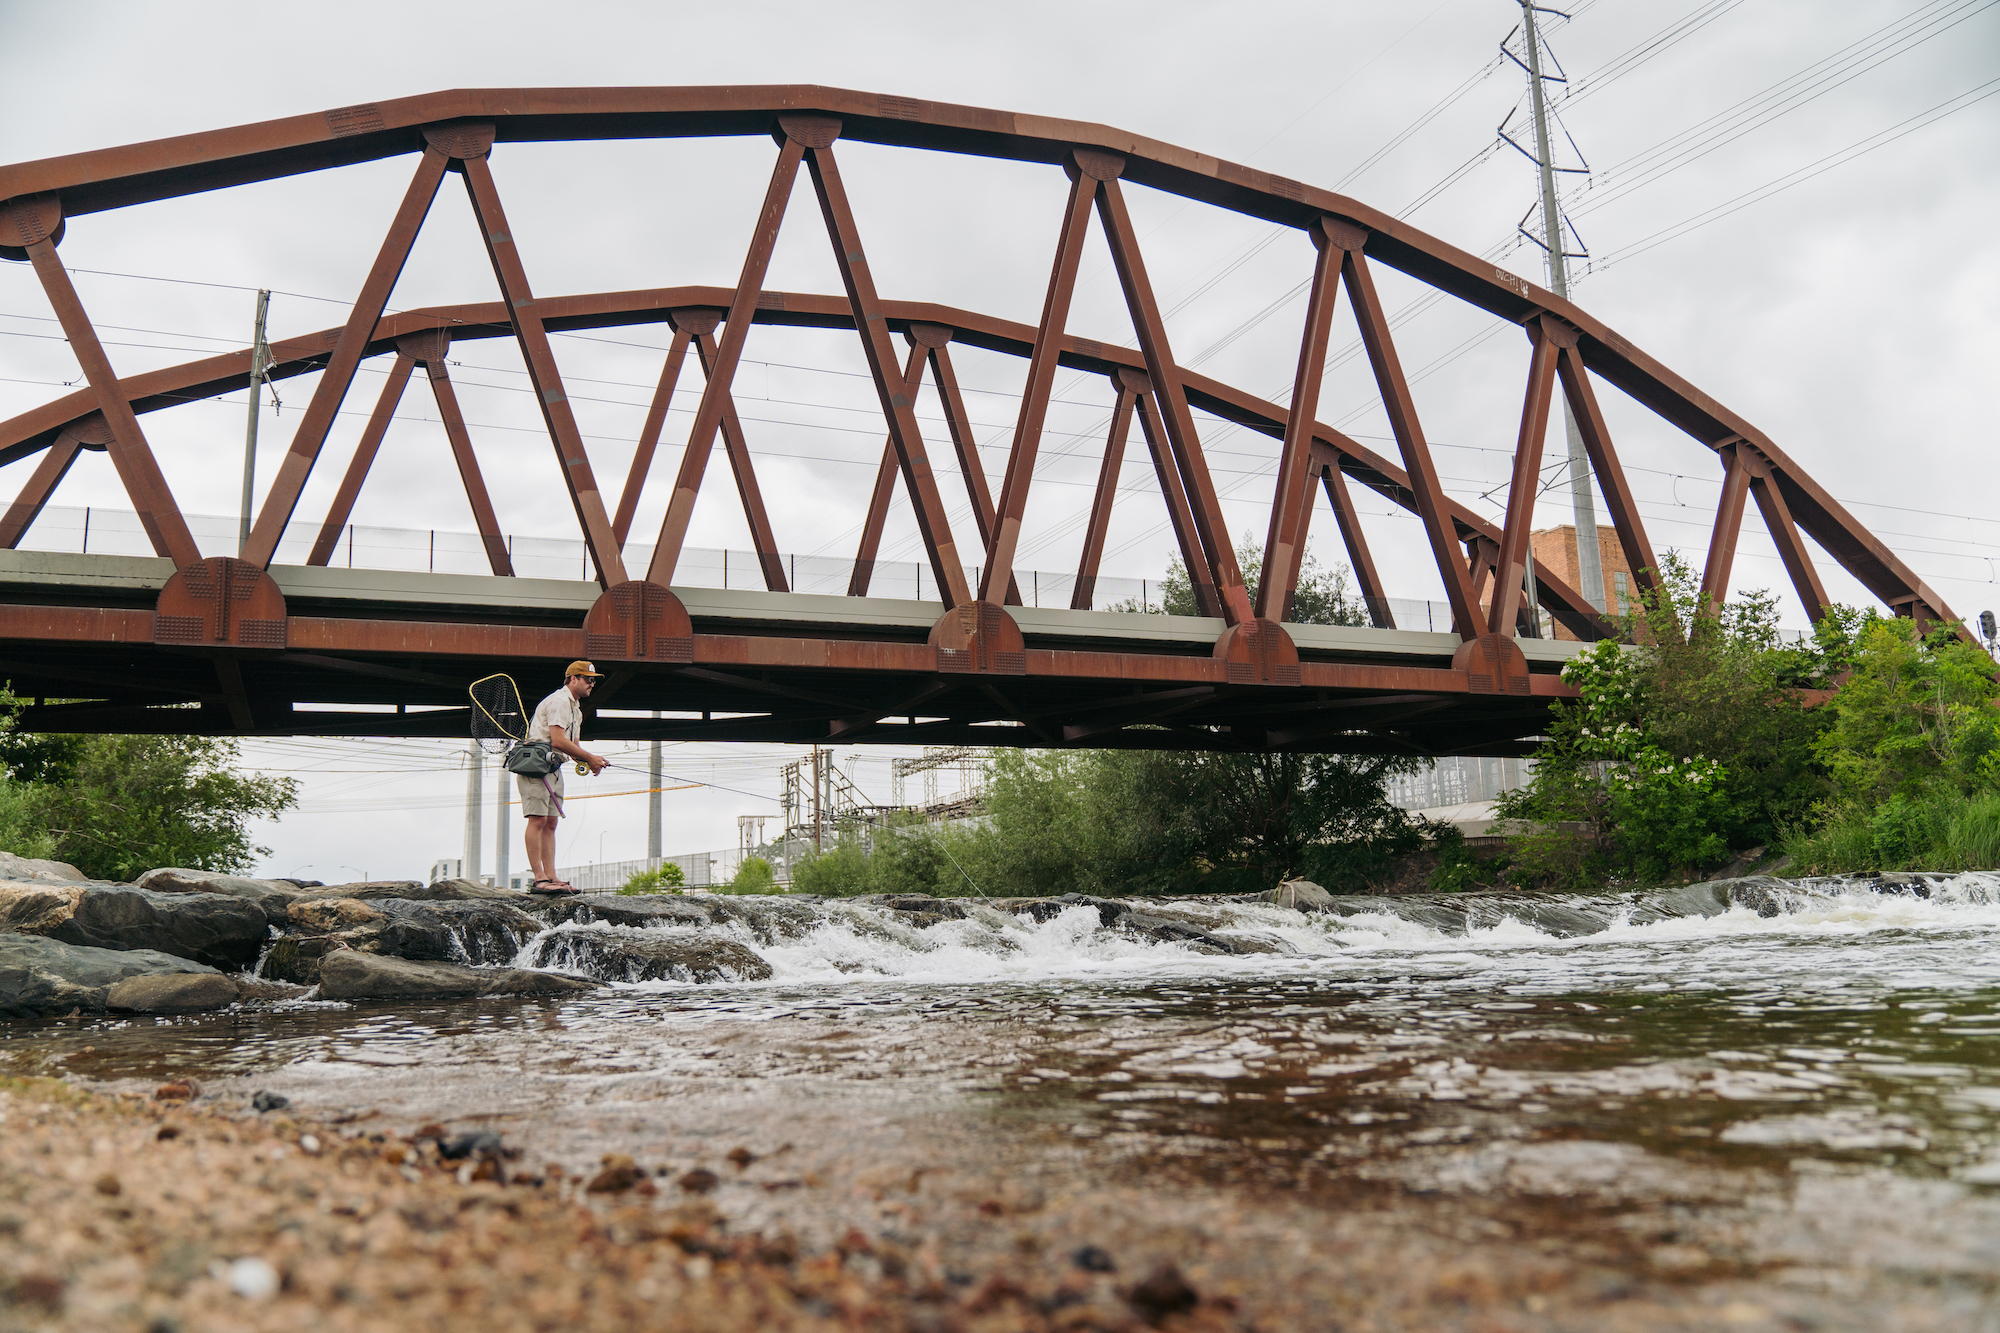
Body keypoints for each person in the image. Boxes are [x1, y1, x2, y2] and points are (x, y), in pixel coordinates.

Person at [520, 660, 608, 895]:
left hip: (553, 766)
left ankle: (552, 877)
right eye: (587, 679)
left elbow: (572, 746)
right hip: (536, 765)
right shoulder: (559, 701)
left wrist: (590, 761)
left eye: (594, 680)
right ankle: (539, 879)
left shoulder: (575, 709)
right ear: (573, 679)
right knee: (537, 819)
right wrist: (590, 758)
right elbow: (558, 740)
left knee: (551, 822)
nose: (592, 684)